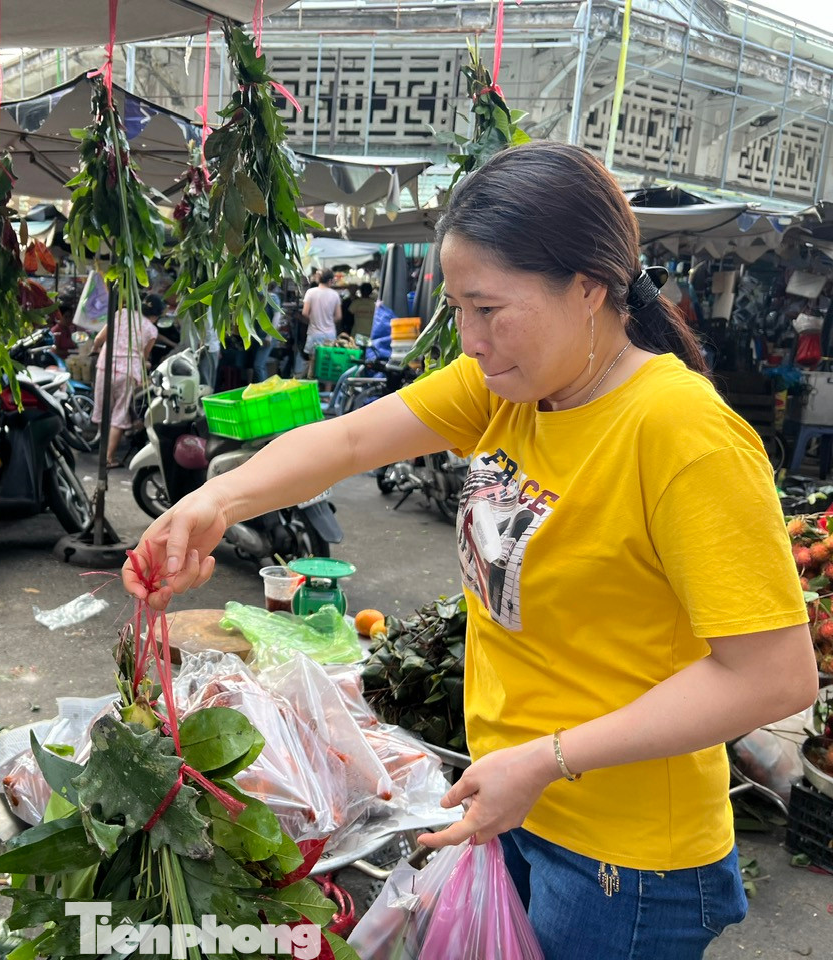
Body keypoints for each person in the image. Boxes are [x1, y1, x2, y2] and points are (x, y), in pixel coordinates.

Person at [122, 142, 817, 960]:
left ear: (590, 287)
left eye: (490, 308)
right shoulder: (516, 388)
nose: (473, 339)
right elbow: (348, 440)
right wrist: (208, 504)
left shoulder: (683, 434)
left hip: (623, 866)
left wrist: (551, 760)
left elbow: (773, 673)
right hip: (513, 808)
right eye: (461, 310)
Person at [91, 293, 160, 468]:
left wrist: (95, 349)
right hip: (128, 371)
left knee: (104, 408)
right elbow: (144, 358)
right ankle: (109, 458)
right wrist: (146, 364)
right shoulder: (151, 330)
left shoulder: (121, 314)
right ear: (155, 316)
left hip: (104, 367)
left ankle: (101, 452)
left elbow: (99, 338)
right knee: (120, 412)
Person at [300, 268, 340, 375]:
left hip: (314, 333)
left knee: (312, 362)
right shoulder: (335, 295)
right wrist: (329, 321)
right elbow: (338, 316)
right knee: (328, 364)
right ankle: (327, 390)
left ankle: (313, 387)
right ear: (330, 280)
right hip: (330, 335)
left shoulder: (310, 292)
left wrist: (314, 320)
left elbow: (304, 312)